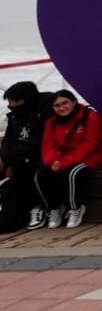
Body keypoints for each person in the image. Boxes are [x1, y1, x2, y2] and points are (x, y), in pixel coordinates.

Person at [32, 90, 102, 229]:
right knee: (40, 175)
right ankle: (54, 208)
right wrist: (53, 161)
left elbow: (90, 144)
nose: (61, 108)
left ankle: (75, 208)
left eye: (65, 103)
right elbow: (48, 145)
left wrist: (63, 163)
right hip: (61, 157)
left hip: (91, 156)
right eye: (57, 105)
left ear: (73, 102)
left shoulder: (90, 117)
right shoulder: (51, 122)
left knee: (71, 174)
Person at [2, 82, 54, 232]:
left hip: (41, 155)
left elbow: (39, 142)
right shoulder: (15, 116)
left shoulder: (45, 113)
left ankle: (37, 206)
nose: (11, 106)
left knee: (21, 166)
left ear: (26, 100)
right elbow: (8, 140)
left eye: (14, 102)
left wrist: (11, 158)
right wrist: (5, 159)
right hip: (17, 156)